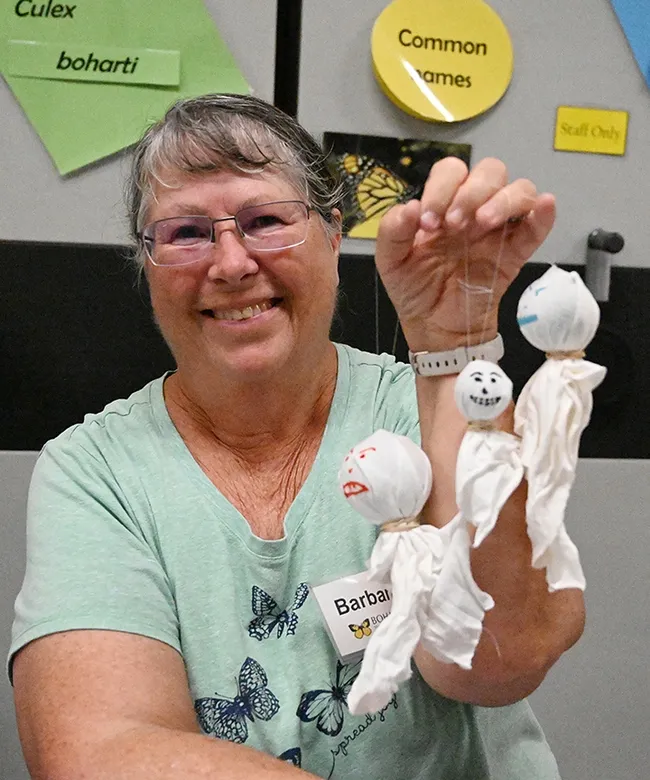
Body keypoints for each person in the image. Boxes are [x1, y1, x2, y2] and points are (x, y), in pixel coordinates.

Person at [9, 93, 584, 780]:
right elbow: (95, 752)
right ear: (147, 266)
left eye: (265, 221)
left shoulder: (426, 408)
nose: (230, 264)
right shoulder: (97, 472)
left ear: (333, 233)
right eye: (186, 233)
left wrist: (455, 348)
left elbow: (499, 663)